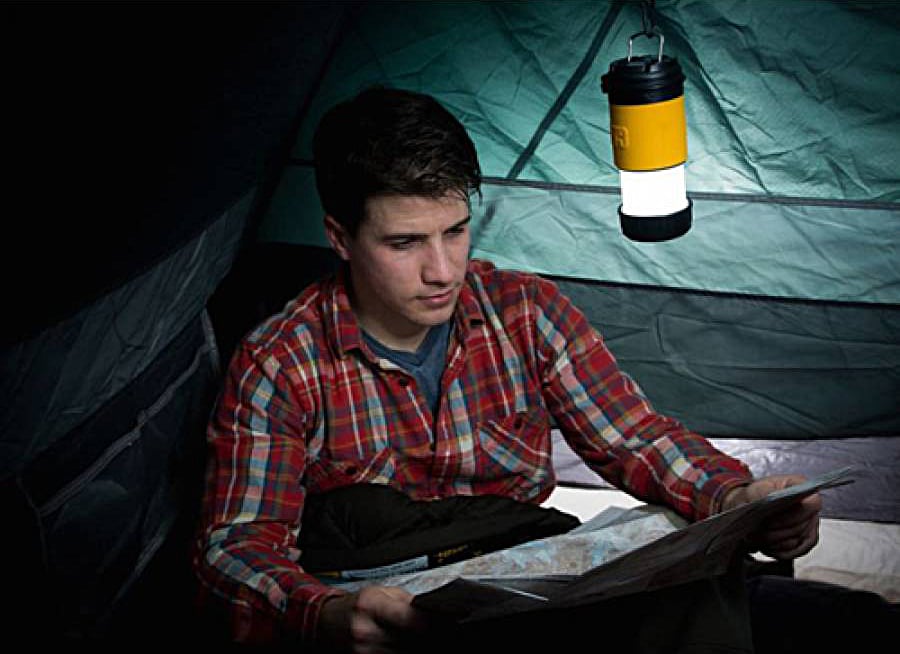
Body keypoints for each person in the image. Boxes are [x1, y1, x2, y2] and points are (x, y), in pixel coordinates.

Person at [192, 87, 887, 652]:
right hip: (393, 605)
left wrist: (735, 497)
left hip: (525, 579)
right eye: (404, 243)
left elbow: (635, 438)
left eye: (455, 232)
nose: (443, 270)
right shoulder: (280, 361)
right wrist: (325, 614)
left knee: (825, 616)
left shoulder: (524, 311)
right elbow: (237, 546)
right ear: (340, 237)